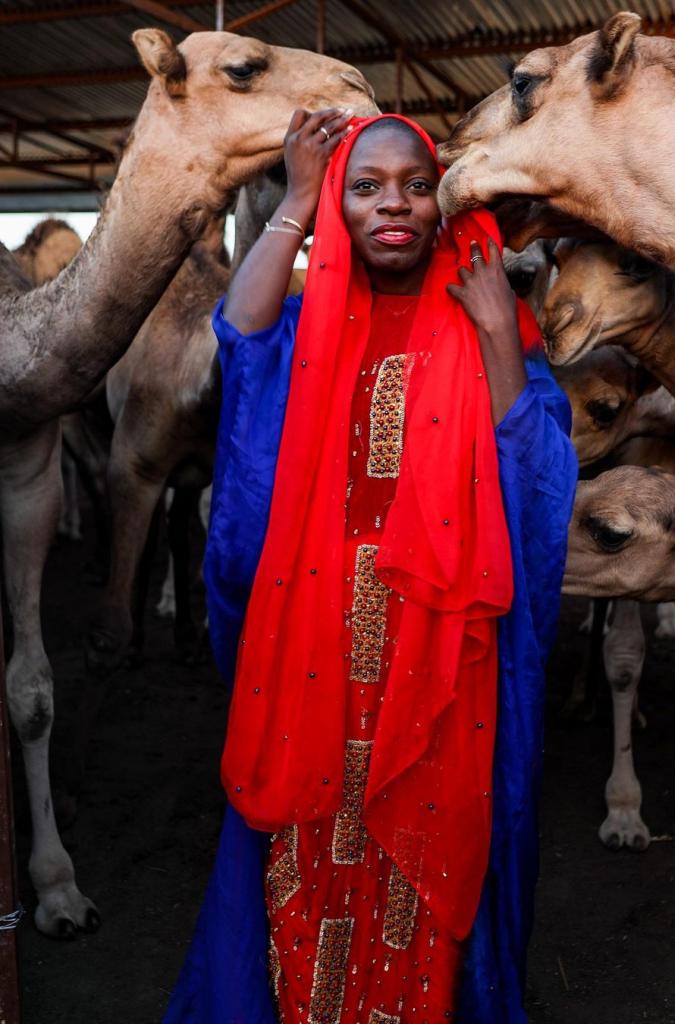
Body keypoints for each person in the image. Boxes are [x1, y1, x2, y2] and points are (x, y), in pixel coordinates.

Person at [164, 111, 577, 1024]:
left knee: (425, 849)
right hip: (312, 634)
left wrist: (498, 330)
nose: (393, 204)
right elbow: (241, 341)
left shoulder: (483, 319)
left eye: (415, 185)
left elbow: (538, 472)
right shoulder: (311, 326)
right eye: (365, 186)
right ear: (339, 209)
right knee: (308, 840)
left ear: (442, 204)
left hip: (439, 644)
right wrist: (297, 197)